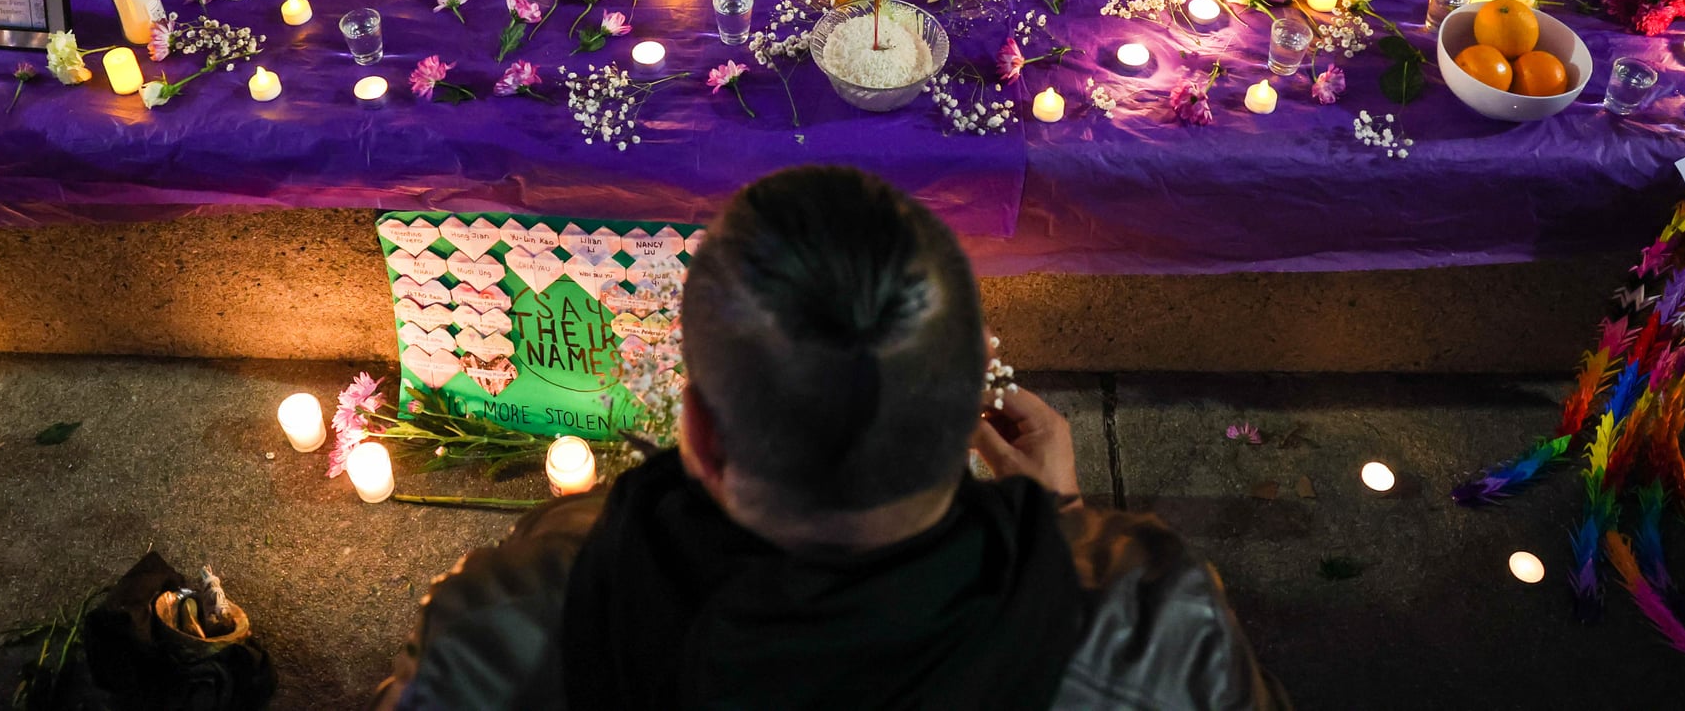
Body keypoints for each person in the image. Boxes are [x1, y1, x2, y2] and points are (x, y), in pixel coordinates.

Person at [373, 167, 1287, 711]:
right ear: (976, 412)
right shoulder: (1159, 627)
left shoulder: (508, 615)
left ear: (696, 431)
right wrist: (1063, 522)